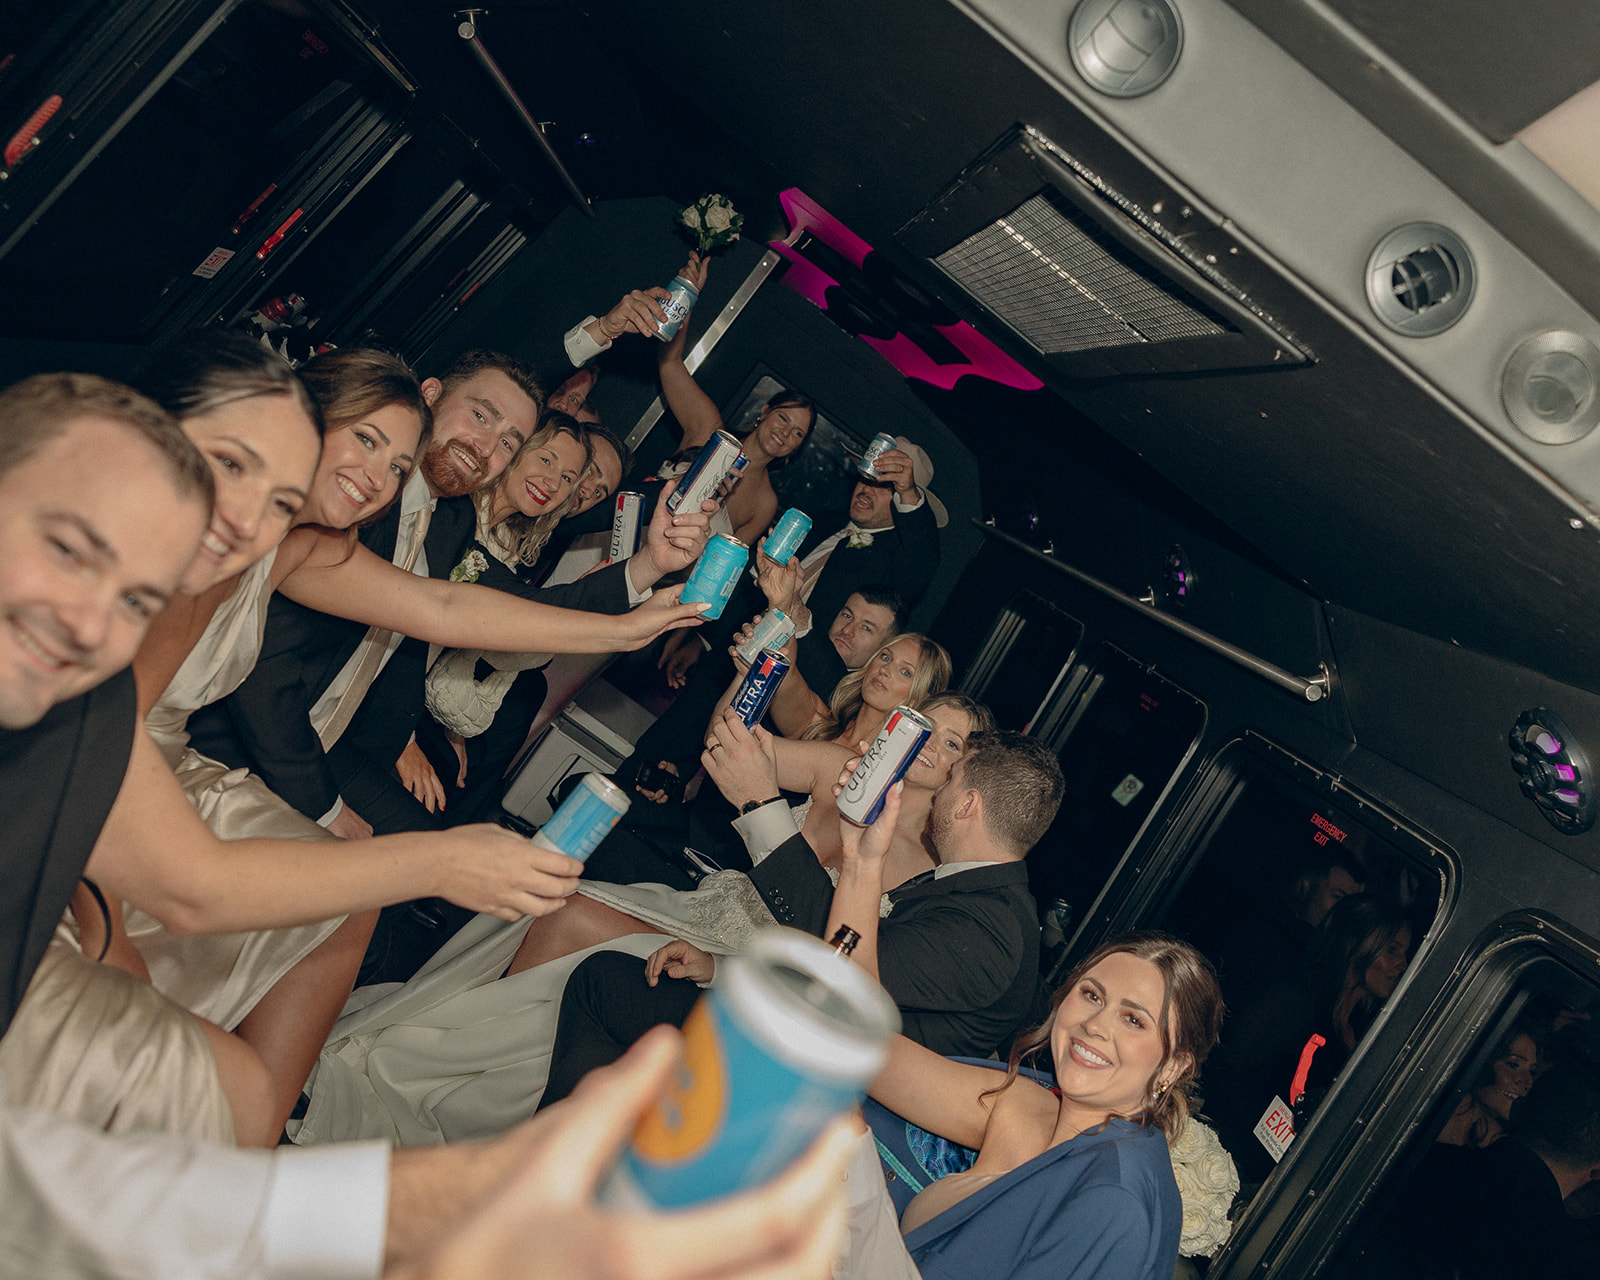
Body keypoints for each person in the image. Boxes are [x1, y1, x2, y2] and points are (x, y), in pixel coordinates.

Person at [0, 373, 853, 1277]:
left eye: (281, 492)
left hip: (83, 854)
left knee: (244, 1093)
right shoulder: (104, 623)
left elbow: (448, 609)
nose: (249, 512)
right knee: (232, 1096)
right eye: (230, 466)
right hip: (106, 862)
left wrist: (632, 621)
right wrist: (438, 862)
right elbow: (188, 881)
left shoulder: (265, 551)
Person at [841, 926, 1225, 1280]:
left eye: (1133, 1020)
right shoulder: (1051, 1113)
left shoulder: (1114, 1198)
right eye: (1092, 995)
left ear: (1173, 1066)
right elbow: (868, 1051)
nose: (1095, 1024)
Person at [654, 252, 815, 547]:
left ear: (797, 448)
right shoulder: (708, 431)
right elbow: (670, 364)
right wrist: (688, 294)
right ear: (765, 411)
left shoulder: (765, 503)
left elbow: (719, 563)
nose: (785, 433)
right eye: (783, 418)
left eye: (797, 433)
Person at [1435, 1025, 1539, 1148]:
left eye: (1531, 1072)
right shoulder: (1426, 1114)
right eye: (1513, 1065)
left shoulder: (1499, 1146)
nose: (1527, 1082)